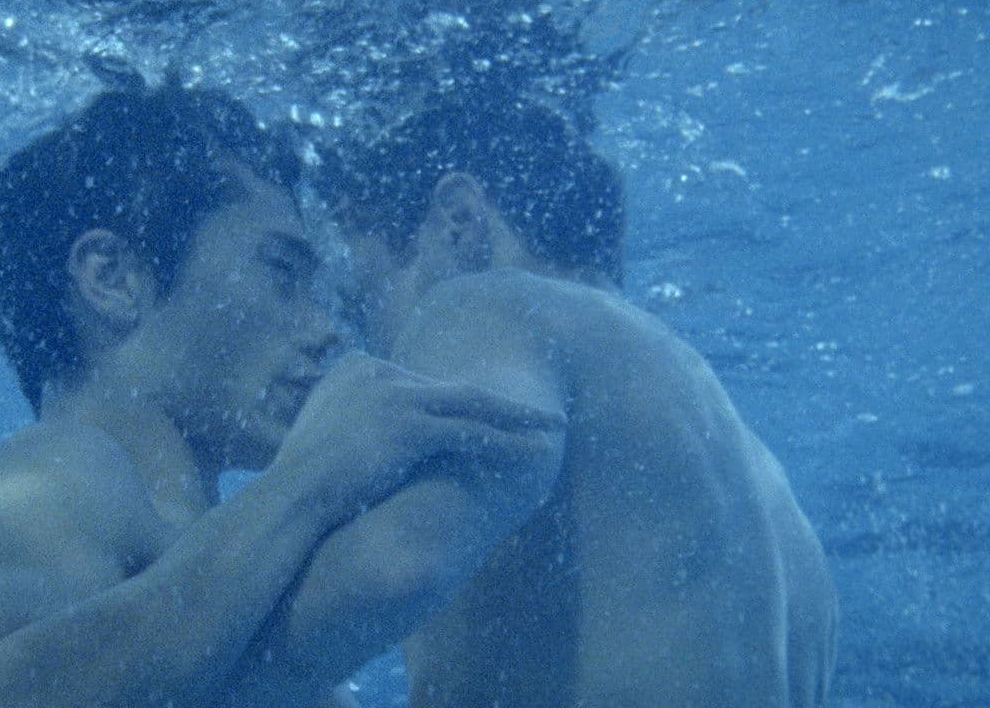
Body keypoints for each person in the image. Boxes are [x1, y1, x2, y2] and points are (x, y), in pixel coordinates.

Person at [0, 80, 567, 708]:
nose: (327, 329)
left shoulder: (213, 575)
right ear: (113, 277)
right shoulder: (53, 475)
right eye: (283, 272)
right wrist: (314, 473)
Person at [298, 96, 840, 706]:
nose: (352, 335)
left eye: (363, 294)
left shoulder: (483, 305)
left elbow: (398, 567)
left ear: (457, 219)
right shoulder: (764, 488)